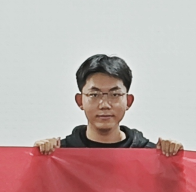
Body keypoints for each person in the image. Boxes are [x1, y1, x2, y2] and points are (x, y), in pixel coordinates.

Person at [34, 53, 182, 156]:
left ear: (128, 101)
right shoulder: (60, 154)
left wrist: (175, 162)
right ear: (80, 101)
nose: (104, 105)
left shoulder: (150, 155)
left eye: (115, 95)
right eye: (94, 95)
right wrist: (37, 159)